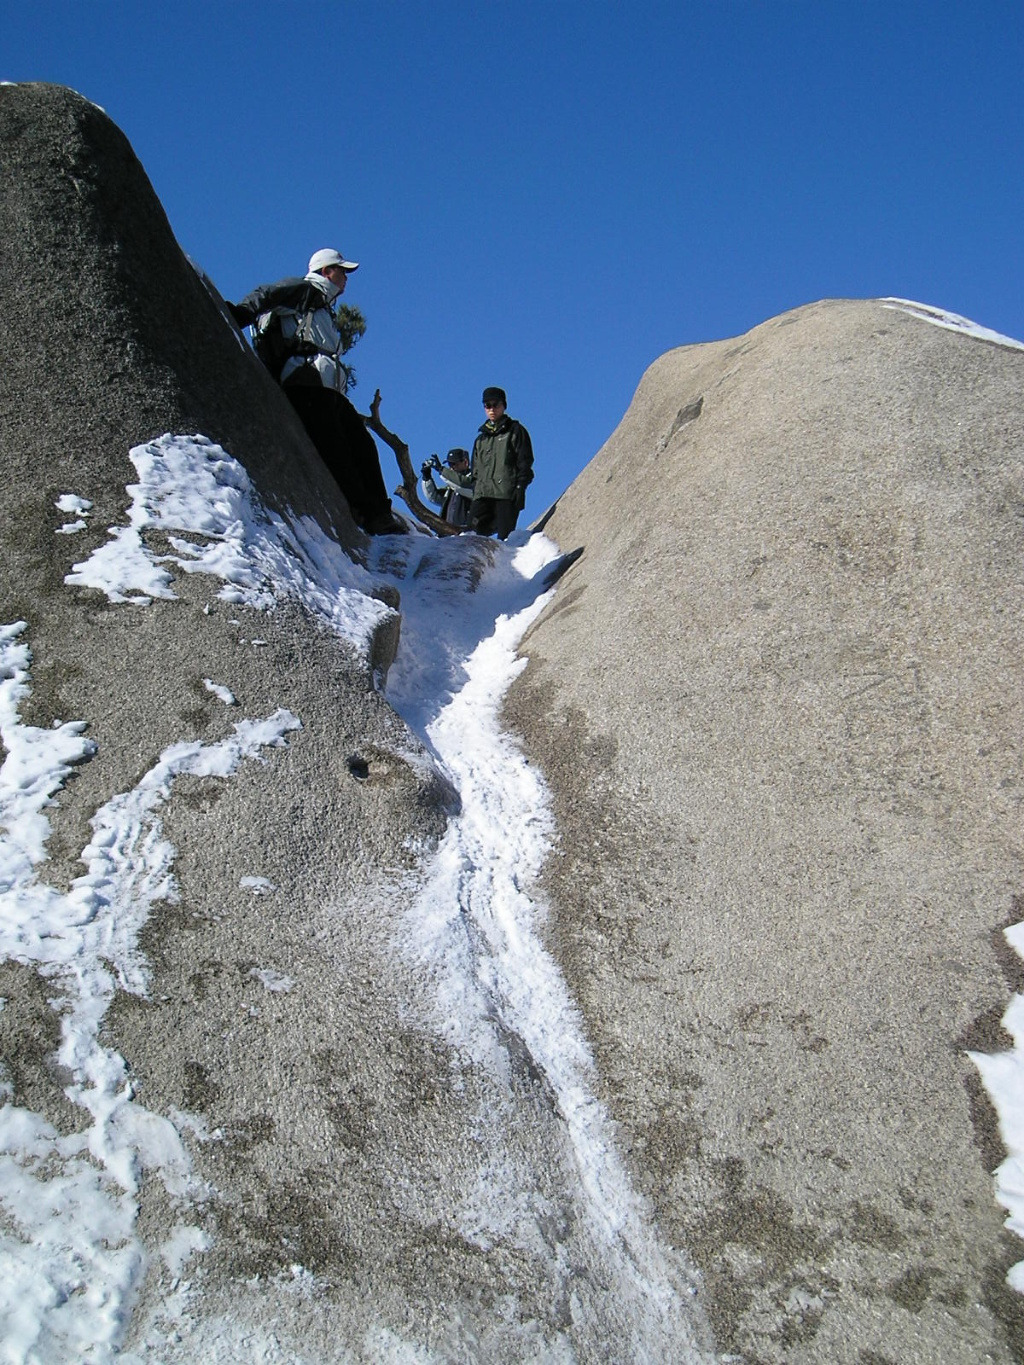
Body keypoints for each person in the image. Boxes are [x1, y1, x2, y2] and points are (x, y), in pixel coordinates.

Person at [228, 249, 406, 536]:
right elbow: (267, 294)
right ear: (326, 271)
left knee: (363, 444)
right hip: (305, 384)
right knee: (335, 449)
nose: (346, 278)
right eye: (342, 271)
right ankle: (366, 513)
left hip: (327, 388)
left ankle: (378, 512)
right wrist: (239, 314)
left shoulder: (323, 305)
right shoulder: (305, 290)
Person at [468, 387, 534, 539]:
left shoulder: (515, 431)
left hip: (506, 494)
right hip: (482, 495)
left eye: (495, 404)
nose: (491, 409)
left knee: (505, 540)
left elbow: (525, 462)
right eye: (487, 405)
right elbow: (475, 470)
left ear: (504, 405)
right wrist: (475, 489)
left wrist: (520, 487)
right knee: (470, 535)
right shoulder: (481, 439)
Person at [419, 448, 474, 528]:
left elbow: (461, 486)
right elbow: (434, 497)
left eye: (455, 464)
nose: (452, 468)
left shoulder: (474, 480)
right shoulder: (451, 487)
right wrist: (427, 478)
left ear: (465, 462)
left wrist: (441, 470)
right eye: (449, 465)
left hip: (466, 531)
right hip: (447, 531)